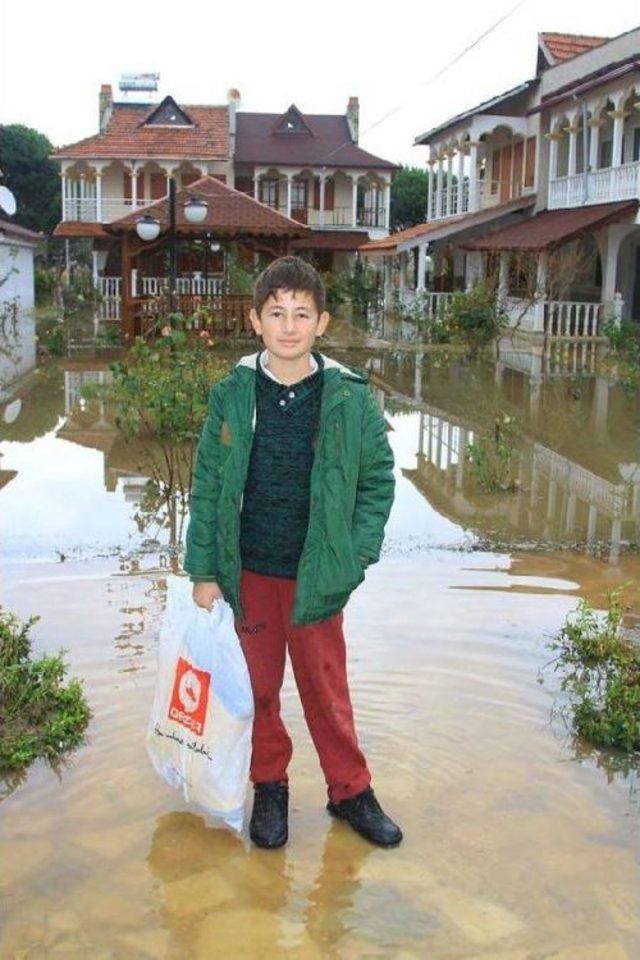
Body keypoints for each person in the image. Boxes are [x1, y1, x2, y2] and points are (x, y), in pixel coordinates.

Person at [183, 255, 402, 850]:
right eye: (276, 313)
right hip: (247, 572)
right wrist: (204, 570)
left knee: (326, 690)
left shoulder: (349, 397)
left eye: (301, 313)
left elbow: (378, 482)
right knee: (256, 691)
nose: (288, 325)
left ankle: (350, 791)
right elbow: (207, 482)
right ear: (255, 320)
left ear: (321, 322)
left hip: (316, 578)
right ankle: (270, 787)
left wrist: (352, 558)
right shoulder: (232, 394)